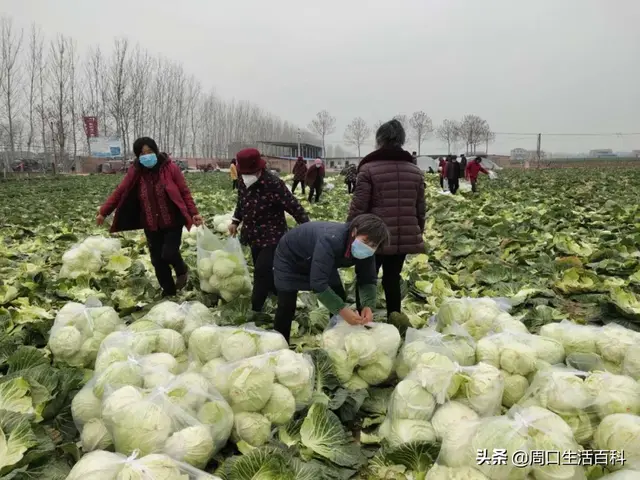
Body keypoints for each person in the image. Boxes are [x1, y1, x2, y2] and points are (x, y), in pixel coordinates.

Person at [97, 137, 202, 297]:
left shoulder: (170, 168)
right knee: (158, 261)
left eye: (149, 152)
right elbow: (120, 191)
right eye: (142, 153)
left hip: (172, 220)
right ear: (138, 156)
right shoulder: (135, 171)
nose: (146, 155)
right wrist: (104, 212)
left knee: (169, 253)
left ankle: (182, 270)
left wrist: (194, 213)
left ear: (156, 151)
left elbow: (184, 191)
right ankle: (169, 293)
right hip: (150, 223)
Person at [347, 119, 426, 320]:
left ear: (379, 140)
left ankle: (362, 321)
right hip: (402, 237)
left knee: (366, 278)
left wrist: (349, 232)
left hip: (374, 236)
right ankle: (394, 319)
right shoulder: (414, 171)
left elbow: (359, 206)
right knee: (392, 278)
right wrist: (417, 232)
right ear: (401, 140)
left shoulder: (369, 169)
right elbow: (420, 210)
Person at [272, 214, 390, 342]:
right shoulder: (331, 239)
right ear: (354, 232)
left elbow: (367, 279)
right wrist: (342, 311)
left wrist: (368, 306)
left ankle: (336, 338)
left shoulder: (367, 252)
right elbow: (318, 284)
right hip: (291, 258)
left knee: (338, 294)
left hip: (320, 259)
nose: (368, 247)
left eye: (374, 245)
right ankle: (281, 343)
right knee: (286, 304)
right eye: (366, 241)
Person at [229, 148, 309, 315]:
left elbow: (293, 205)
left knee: (260, 271)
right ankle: (277, 294)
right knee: (264, 267)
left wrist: (307, 227)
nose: (246, 175)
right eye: (243, 172)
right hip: (252, 234)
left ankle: (255, 309)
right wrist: (235, 221)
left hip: (273, 235)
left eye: (250, 172)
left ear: (259, 169)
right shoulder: (244, 181)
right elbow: (241, 202)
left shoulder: (273, 184)